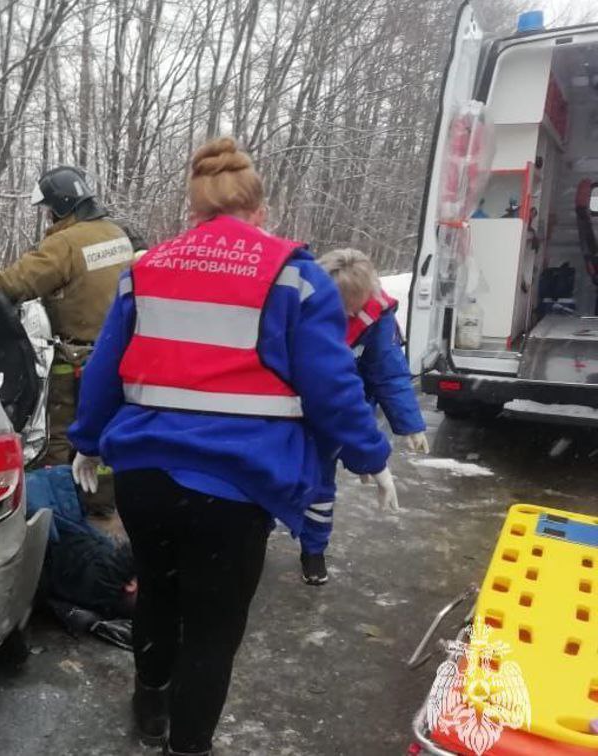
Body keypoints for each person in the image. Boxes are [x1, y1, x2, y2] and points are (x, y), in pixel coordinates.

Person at [67, 137, 396, 755]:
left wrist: (87, 441)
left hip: (145, 477)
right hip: (235, 488)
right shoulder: (295, 277)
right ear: (259, 209)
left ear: (192, 210)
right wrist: (370, 456)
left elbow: (106, 367)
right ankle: (186, 747)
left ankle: (149, 706)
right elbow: (331, 386)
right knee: (214, 630)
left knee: (160, 594)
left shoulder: (147, 268)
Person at [0, 166, 134, 514]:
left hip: (78, 358)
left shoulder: (65, 243)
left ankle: (63, 506)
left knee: (62, 434)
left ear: (62, 204)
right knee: (108, 431)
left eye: (49, 209)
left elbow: (17, 282)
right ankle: (104, 502)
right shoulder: (117, 234)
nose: (48, 216)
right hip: (121, 355)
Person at [299, 248, 428, 586]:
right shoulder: (298, 303)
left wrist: (409, 425)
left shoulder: (377, 318)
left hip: (343, 410)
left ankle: (313, 550)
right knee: (272, 476)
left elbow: (388, 371)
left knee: (322, 488)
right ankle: (260, 531)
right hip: (294, 407)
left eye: (349, 308)